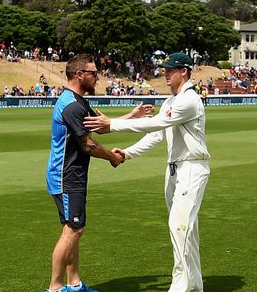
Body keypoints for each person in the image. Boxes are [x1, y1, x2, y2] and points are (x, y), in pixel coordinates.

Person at [84, 53, 210, 292]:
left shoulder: (190, 99)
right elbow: (155, 136)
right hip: (174, 169)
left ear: (184, 71)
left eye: (170, 70)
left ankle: (180, 287)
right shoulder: (171, 102)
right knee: (186, 230)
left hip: (192, 168)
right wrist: (127, 154)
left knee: (179, 226)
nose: (165, 74)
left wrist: (112, 125)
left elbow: (155, 124)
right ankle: (193, 285)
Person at [45, 54, 124, 292]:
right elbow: (88, 144)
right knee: (74, 229)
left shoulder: (78, 101)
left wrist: (133, 118)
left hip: (73, 175)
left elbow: (100, 127)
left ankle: (75, 283)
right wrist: (112, 157)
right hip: (66, 176)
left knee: (73, 228)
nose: (98, 77)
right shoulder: (70, 104)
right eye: (94, 73)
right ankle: (55, 288)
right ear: (79, 75)